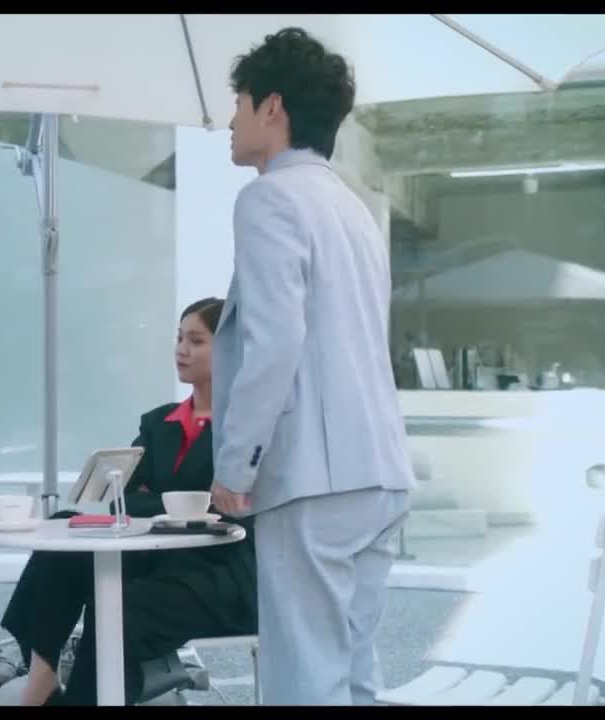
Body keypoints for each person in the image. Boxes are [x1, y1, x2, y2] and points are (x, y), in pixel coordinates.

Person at [209, 28, 417, 705]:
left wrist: (235, 465)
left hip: (314, 477)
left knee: (304, 681)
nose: (231, 121)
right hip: (379, 472)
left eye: (239, 103)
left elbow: (274, 344)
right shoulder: (354, 209)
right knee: (353, 675)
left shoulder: (270, 198)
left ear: (272, 107)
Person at [0, 298, 257, 706]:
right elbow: (122, 499)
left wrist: (154, 500)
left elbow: (227, 508)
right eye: (179, 338)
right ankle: (40, 681)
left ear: (228, 349)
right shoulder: (158, 422)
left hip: (219, 572)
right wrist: (183, 503)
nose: (181, 350)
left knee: (118, 607)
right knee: (65, 538)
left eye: (195, 341)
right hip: (158, 558)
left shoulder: (246, 429)